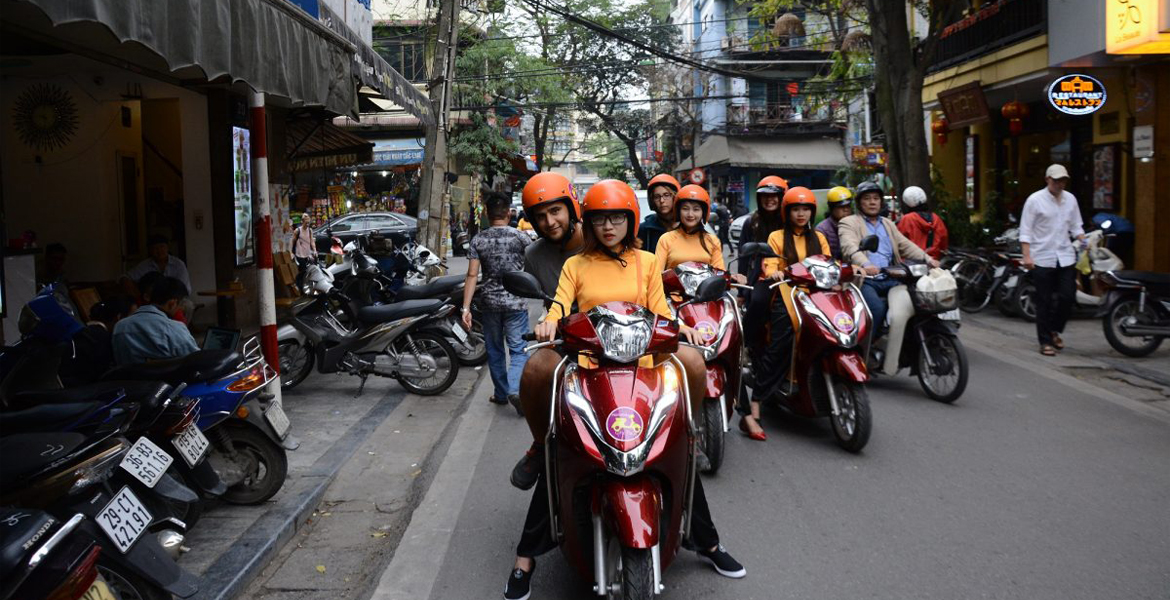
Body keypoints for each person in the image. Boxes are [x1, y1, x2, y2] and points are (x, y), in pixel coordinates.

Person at [504, 179, 745, 600]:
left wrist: (680, 325)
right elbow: (560, 305)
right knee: (562, 449)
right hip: (589, 369)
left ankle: (707, 539)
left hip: (644, 366)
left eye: (616, 217)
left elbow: (661, 308)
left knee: (674, 449)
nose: (608, 226)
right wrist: (550, 321)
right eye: (599, 219)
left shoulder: (647, 262)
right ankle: (526, 557)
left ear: (630, 219)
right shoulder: (575, 265)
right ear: (590, 223)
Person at [742, 187, 831, 438]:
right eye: (795, 209)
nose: (801, 214)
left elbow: (827, 262)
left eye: (805, 209)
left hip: (815, 295)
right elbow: (769, 265)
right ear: (787, 211)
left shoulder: (820, 238)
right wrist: (777, 271)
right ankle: (757, 401)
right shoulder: (777, 237)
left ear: (812, 211)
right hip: (787, 292)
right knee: (784, 338)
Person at [839, 181, 937, 338]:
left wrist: (928, 259)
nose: (872, 202)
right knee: (877, 309)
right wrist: (866, 264)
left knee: (915, 304)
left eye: (876, 198)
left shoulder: (888, 223)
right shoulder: (848, 222)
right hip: (865, 280)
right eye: (867, 198)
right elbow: (849, 247)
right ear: (859, 203)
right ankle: (867, 347)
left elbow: (905, 245)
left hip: (891, 277)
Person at [462, 192, 532, 410]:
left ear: (486, 213)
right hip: (516, 303)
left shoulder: (479, 239)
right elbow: (533, 266)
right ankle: (514, 390)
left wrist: (466, 308)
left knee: (494, 350)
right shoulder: (520, 237)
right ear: (509, 213)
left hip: (490, 304)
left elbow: (472, 275)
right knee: (518, 349)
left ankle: (501, 393)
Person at [736, 175, 787, 440]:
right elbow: (744, 256)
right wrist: (742, 286)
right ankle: (747, 341)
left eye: (775, 196)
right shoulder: (751, 222)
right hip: (761, 277)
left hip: (791, 277)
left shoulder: (789, 219)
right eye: (766, 196)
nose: (770, 200)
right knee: (758, 301)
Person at [1019, 164, 1085, 356]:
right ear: (1047, 179)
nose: (1059, 184)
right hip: (1042, 257)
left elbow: (1076, 226)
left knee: (1068, 296)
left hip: (1065, 256)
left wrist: (1083, 239)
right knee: (1044, 301)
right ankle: (1045, 341)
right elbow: (1026, 230)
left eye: (1063, 180)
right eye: (1056, 180)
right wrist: (1027, 256)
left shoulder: (1070, 199)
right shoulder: (1035, 200)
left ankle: (1054, 329)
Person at [111, 276, 199, 365]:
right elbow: (196, 361)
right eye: (180, 305)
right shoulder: (175, 329)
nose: (181, 309)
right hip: (168, 378)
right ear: (172, 304)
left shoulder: (120, 327)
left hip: (129, 378)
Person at [654, 184, 729, 272]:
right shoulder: (666, 239)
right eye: (685, 209)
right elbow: (657, 275)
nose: (690, 214)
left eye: (696, 209)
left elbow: (719, 274)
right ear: (678, 211)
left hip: (705, 286)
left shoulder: (712, 241)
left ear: (703, 213)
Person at [126, 235, 192, 295]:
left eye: (162, 246)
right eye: (155, 248)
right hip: (154, 301)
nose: (159, 251)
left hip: (176, 299)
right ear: (150, 250)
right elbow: (127, 277)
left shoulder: (178, 264)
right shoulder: (145, 265)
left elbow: (184, 288)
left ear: (167, 247)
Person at [896, 186, 949, 260]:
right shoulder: (936, 218)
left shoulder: (907, 219)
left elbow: (898, 241)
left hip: (912, 262)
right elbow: (944, 239)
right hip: (934, 261)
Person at [637, 173, 681, 253]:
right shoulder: (644, 230)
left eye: (666, 195)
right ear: (652, 200)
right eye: (657, 197)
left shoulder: (688, 226)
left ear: (675, 197)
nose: (662, 201)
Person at [816, 186, 854, 260]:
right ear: (832, 208)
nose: (846, 210)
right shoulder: (822, 230)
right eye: (841, 207)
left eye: (848, 206)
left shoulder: (855, 224)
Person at [291, 213, 317, 287]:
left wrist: (314, 250)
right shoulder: (297, 231)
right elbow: (292, 242)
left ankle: (306, 286)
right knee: (303, 272)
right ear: (302, 222)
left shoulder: (310, 230)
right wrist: (292, 253)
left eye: (308, 222)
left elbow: (312, 241)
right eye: (306, 222)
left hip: (307, 254)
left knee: (309, 270)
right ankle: (301, 287)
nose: (307, 224)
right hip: (299, 254)